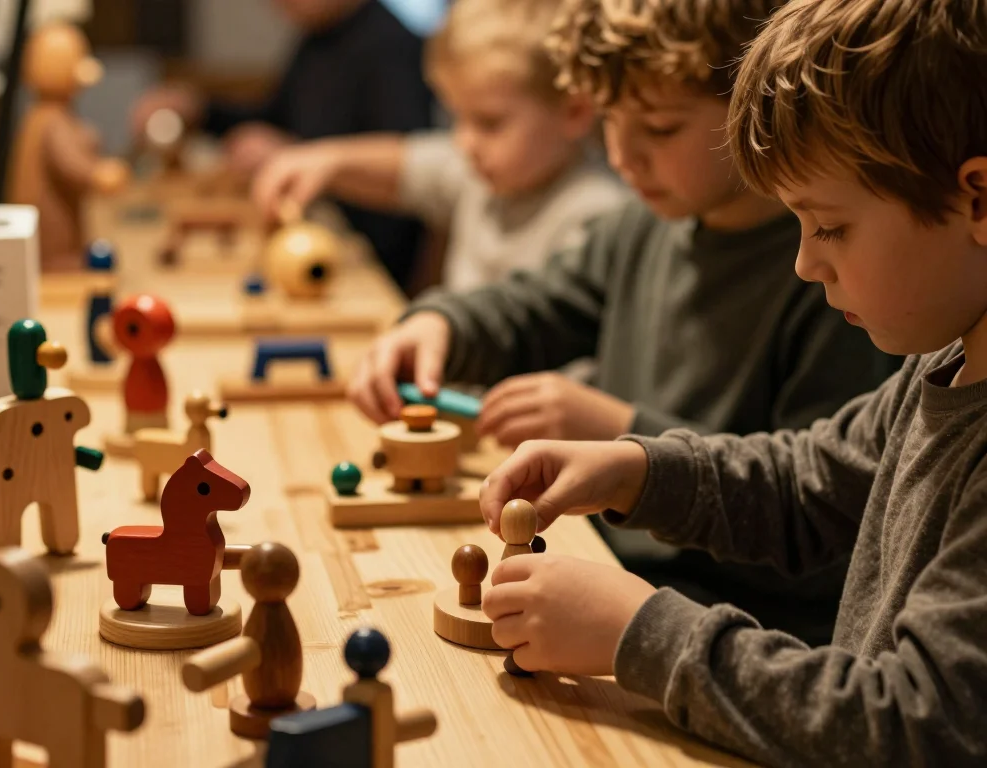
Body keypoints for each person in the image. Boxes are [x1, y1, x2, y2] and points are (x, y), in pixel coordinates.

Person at [477, 0, 987, 764]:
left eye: (830, 226)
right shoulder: (941, 360)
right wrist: (637, 469)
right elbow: (810, 483)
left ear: (978, 200)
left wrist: (638, 633)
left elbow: (914, 723)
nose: (805, 262)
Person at [345, 0, 895, 644]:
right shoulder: (644, 227)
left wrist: (619, 431)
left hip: (732, 626)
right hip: (615, 571)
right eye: (609, 119)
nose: (624, 154)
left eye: (660, 128)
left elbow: (822, 516)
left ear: (756, 113)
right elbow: (539, 305)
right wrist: (440, 325)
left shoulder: (837, 278)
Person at [253, 0, 629, 293]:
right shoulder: (486, 173)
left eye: (489, 123)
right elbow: (408, 165)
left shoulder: (594, 216)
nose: (465, 142)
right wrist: (327, 162)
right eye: (457, 118)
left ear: (575, 112)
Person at [129, 0, 433, 290]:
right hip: (309, 229)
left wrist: (295, 153)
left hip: (364, 258)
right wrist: (199, 109)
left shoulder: (393, 47)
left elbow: (404, 163)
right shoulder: (317, 38)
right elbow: (273, 119)